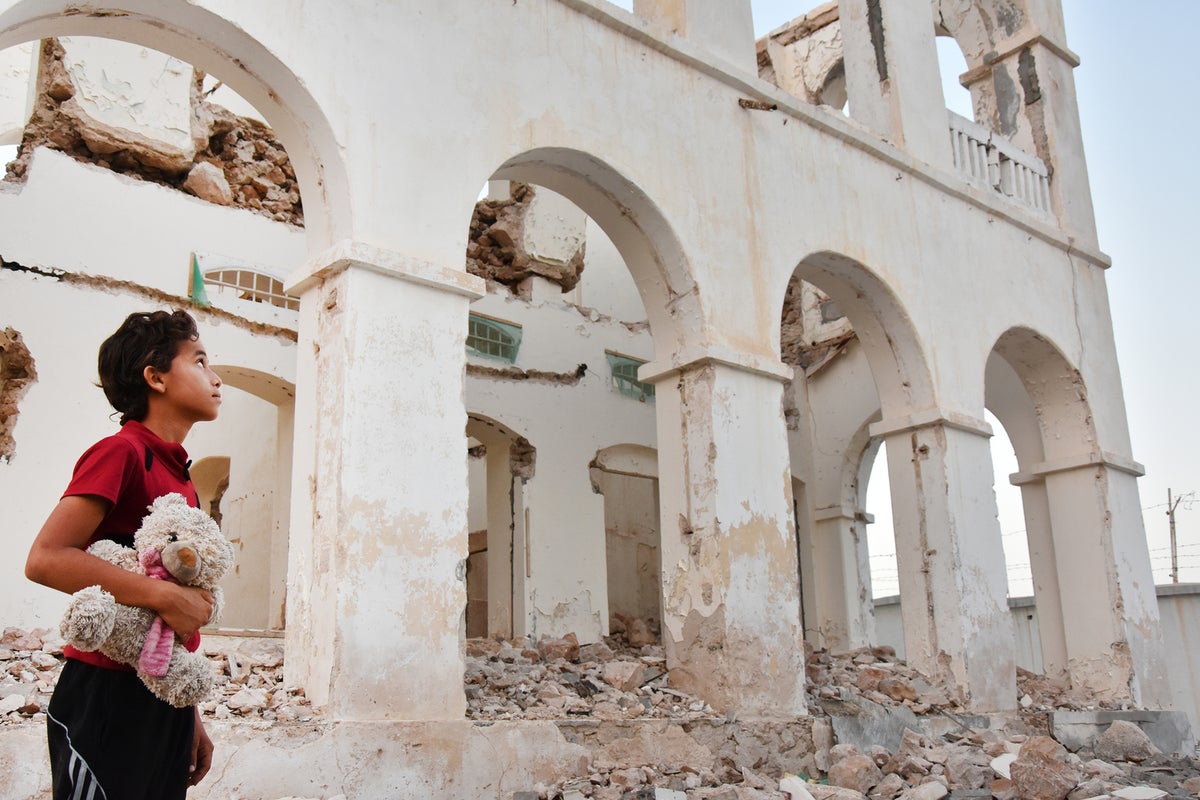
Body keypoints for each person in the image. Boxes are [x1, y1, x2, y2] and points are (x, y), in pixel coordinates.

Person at [25, 309, 224, 799]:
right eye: (199, 361)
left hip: (161, 699)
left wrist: (187, 710)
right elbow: (46, 557)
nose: (215, 377)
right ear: (154, 377)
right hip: (103, 697)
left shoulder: (182, 479)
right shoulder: (122, 453)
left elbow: (172, 620)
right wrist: (161, 595)